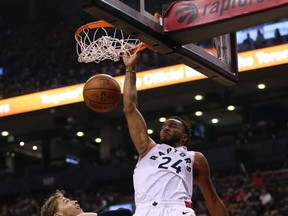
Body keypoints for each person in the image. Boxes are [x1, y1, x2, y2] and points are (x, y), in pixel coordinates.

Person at [122, 53, 229, 216]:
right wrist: (130, 68)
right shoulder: (147, 148)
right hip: (145, 210)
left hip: (178, 209)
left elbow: (212, 199)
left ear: (184, 137)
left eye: (172, 126)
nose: (165, 128)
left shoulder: (195, 158)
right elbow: (129, 107)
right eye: (164, 126)